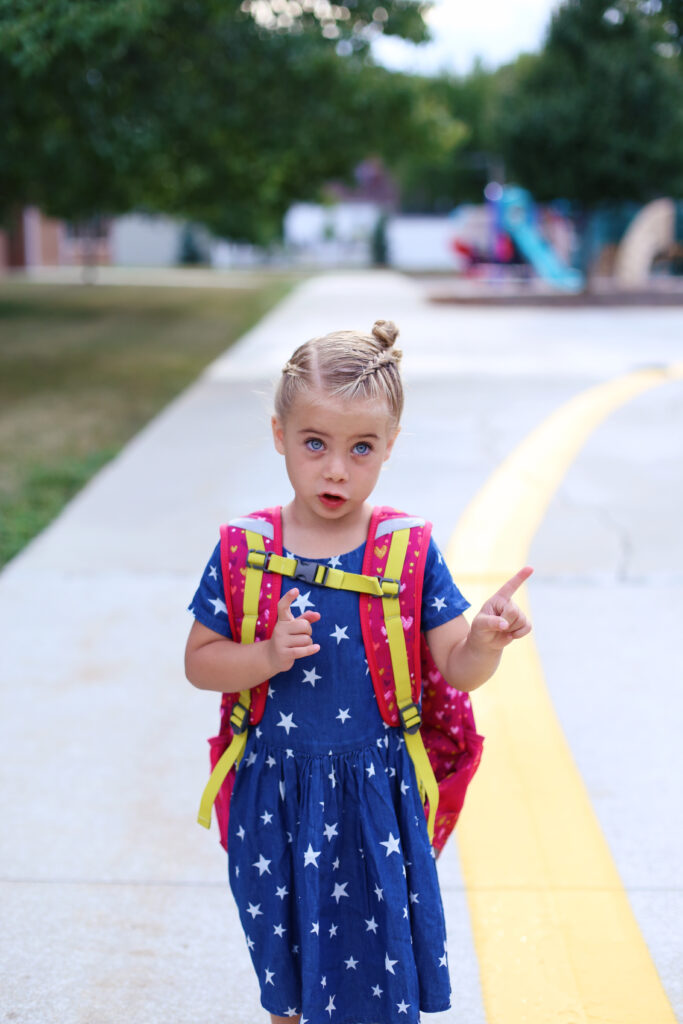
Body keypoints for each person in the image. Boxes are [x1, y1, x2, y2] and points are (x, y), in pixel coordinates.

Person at [185, 320, 532, 1024]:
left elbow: (455, 670)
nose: (336, 469)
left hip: (375, 799)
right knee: (283, 972)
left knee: (376, 982)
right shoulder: (243, 550)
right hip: (274, 796)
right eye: (315, 443)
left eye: (360, 448)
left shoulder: (408, 551)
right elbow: (199, 664)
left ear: (390, 447)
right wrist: (266, 655)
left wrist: (487, 642)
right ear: (278, 432)